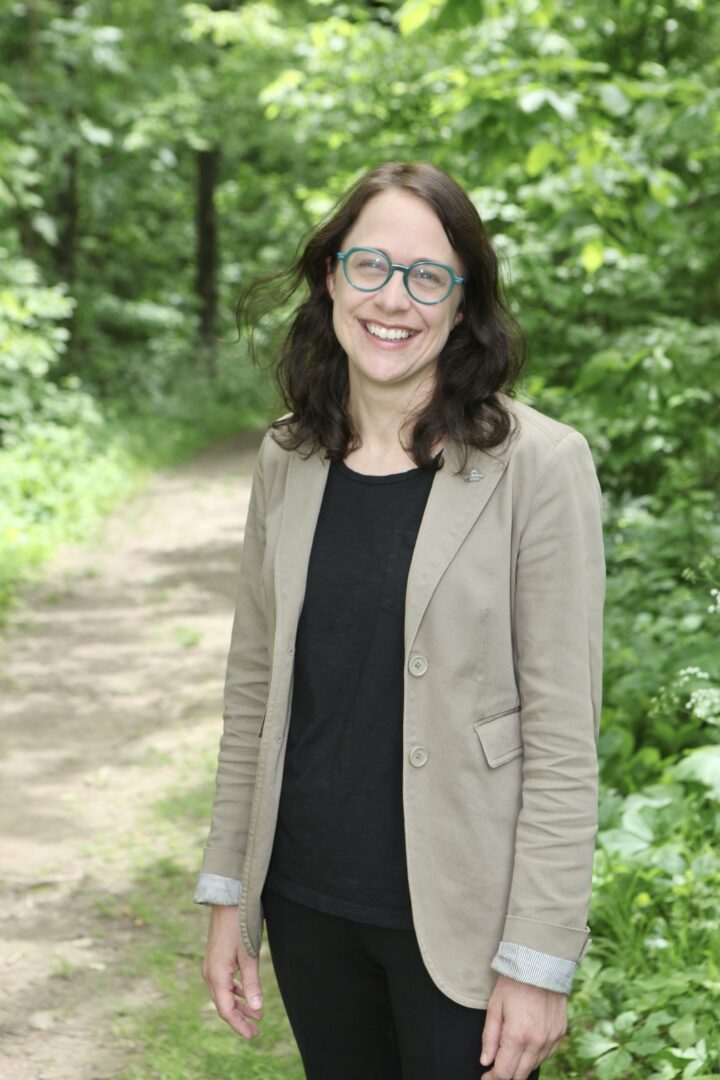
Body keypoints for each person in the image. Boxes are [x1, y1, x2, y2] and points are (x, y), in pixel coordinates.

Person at [194, 161, 605, 1080]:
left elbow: (563, 735)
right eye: (371, 266)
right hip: (308, 901)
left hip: (467, 923)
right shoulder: (285, 457)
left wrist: (539, 958)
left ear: (464, 304)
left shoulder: (540, 465)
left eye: (429, 276)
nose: (396, 299)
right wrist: (231, 893)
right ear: (333, 276)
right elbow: (253, 690)